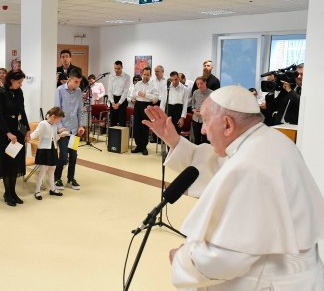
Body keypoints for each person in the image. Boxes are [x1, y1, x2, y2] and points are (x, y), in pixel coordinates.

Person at [144, 86, 324, 290]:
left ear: (227, 125)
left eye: (206, 122)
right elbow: (219, 164)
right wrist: (174, 140)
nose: (202, 130)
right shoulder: (266, 141)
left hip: (270, 281)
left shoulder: (251, 164)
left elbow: (225, 258)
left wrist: (182, 259)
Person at [0, 70, 30, 206]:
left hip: (18, 128)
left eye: (21, 82)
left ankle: (14, 192)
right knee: (7, 163)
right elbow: (0, 114)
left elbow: (22, 111)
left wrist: (27, 130)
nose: (20, 84)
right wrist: (8, 133)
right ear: (11, 80)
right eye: (18, 82)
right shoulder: (1, 92)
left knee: (16, 163)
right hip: (4, 131)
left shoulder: (19, 92)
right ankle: (7, 193)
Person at [53, 68, 85, 190]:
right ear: (69, 80)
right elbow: (56, 111)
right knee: (63, 156)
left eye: (79, 82)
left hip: (75, 130)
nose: (78, 84)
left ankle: (71, 179)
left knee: (73, 155)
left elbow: (80, 111)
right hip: (63, 131)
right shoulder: (60, 90)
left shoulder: (78, 91)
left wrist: (81, 125)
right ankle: (57, 177)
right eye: (76, 82)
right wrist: (60, 128)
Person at [29, 107, 66, 200]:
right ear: (53, 116)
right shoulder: (43, 124)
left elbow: (54, 138)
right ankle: (37, 191)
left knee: (52, 169)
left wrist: (60, 135)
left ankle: (52, 189)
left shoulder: (54, 125)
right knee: (43, 171)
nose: (58, 121)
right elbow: (35, 134)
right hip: (44, 150)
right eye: (59, 119)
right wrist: (27, 138)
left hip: (53, 149)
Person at [130, 67, 159, 155]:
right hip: (138, 105)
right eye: (144, 74)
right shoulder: (138, 83)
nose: (146, 76)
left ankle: (144, 147)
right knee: (137, 126)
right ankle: (138, 146)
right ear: (142, 74)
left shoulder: (153, 85)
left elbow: (156, 98)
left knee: (145, 127)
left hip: (147, 106)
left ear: (150, 75)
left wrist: (146, 95)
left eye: (148, 75)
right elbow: (132, 95)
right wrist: (137, 93)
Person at [108, 60, 130, 126]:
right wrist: (112, 102)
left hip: (122, 100)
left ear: (122, 67)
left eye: (118, 68)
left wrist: (119, 103)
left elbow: (125, 91)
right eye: (115, 68)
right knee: (113, 120)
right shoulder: (111, 76)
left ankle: (122, 136)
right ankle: (113, 136)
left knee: (122, 121)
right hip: (113, 100)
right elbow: (109, 90)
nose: (116, 70)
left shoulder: (126, 77)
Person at [191, 77, 211, 145]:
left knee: (206, 140)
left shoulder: (212, 93)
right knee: (197, 139)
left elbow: (213, 108)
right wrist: (193, 110)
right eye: (198, 84)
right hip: (196, 119)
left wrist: (203, 112)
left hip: (206, 120)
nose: (199, 85)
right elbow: (192, 104)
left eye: (201, 83)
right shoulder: (195, 92)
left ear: (205, 82)